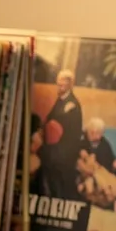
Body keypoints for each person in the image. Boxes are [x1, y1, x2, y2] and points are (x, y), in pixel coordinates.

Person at [40, 68, 82, 198]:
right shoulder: (60, 100)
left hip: (66, 148)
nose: (59, 84)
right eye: (58, 81)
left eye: (62, 82)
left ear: (70, 83)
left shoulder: (72, 103)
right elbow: (50, 117)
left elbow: (64, 125)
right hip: (56, 146)